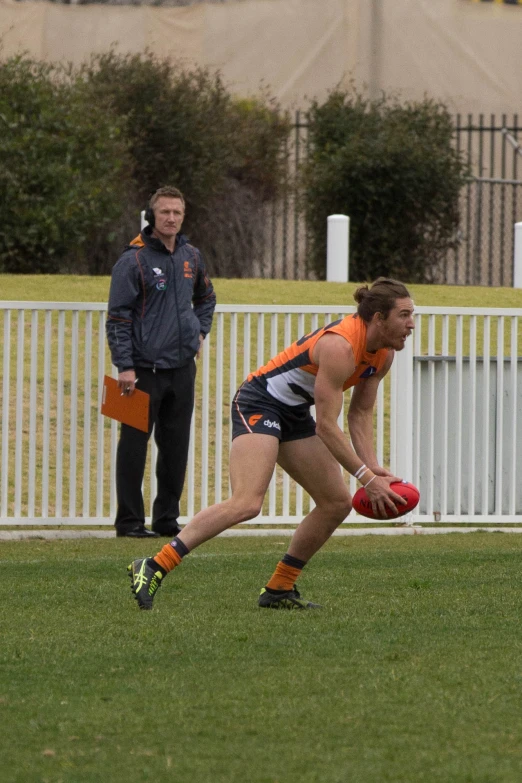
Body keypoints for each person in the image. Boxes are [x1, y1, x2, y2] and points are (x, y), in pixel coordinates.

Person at [127, 277, 414, 606]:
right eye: (404, 315)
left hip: (292, 412)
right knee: (247, 502)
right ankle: (153, 565)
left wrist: (374, 469)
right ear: (378, 318)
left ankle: (279, 588)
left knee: (336, 503)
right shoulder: (341, 346)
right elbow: (326, 426)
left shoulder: (384, 355)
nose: (411, 324)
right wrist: (365, 478)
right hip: (258, 402)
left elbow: (359, 415)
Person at [106, 186, 216, 538]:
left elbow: (207, 297)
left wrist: (199, 331)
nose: (171, 218)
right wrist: (124, 366)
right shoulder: (132, 260)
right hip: (140, 373)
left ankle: (166, 520)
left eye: (177, 213)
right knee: (133, 447)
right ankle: (129, 523)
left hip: (182, 370)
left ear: (184, 216)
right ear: (151, 216)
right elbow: (118, 317)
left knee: (175, 449)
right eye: (164, 212)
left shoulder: (191, 257)